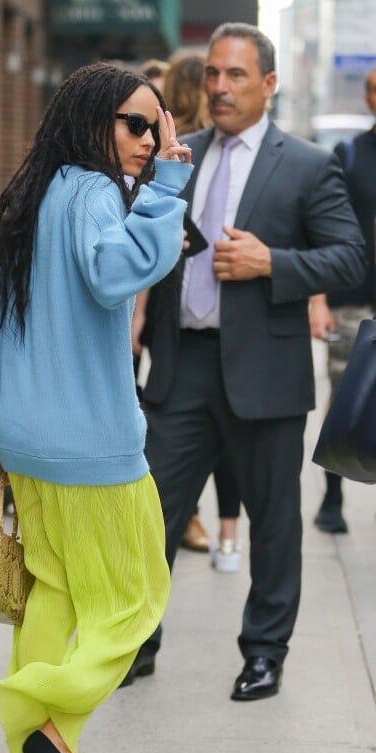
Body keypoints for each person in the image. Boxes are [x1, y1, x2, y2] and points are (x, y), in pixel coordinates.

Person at [0, 62, 192, 753]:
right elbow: (114, 275)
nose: (149, 140)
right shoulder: (99, 196)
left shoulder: (38, 195)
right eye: (136, 124)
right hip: (90, 448)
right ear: (94, 120)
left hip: (30, 441)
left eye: (157, 126)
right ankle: (35, 710)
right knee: (136, 599)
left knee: (58, 599)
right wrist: (163, 191)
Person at [133, 22, 366, 702]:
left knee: (273, 521)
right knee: (151, 516)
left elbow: (351, 256)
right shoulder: (180, 156)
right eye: (211, 74)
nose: (220, 87)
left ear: (269, 83)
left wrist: (274, 263)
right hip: (181, 370)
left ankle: (264, 653)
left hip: (266, 374)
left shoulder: (308, 164)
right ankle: (135, 643)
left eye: (236, 75)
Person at [132, 50, 243, 575]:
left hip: (243, 343)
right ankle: (138, 643)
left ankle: (225, 529)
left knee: (233, 454)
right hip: (177, 339)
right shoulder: (168, 160)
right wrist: (138, 317)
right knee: (161, 486)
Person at [309, 66, 376, 534]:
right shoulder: (350, 155)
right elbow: (324, 232)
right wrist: (319, 298)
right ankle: (332, 498)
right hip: (352, 301)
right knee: (347, 395)